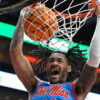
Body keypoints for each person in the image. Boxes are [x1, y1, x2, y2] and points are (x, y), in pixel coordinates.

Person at [10, 1, 100, 100]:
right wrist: (23, 14)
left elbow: (94, 58)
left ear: (68, 68)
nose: (54, 63)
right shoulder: (35, 86)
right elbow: (15, 53)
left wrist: (99, 18)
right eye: (51, 60)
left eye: (60, 60)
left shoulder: (76, 89)